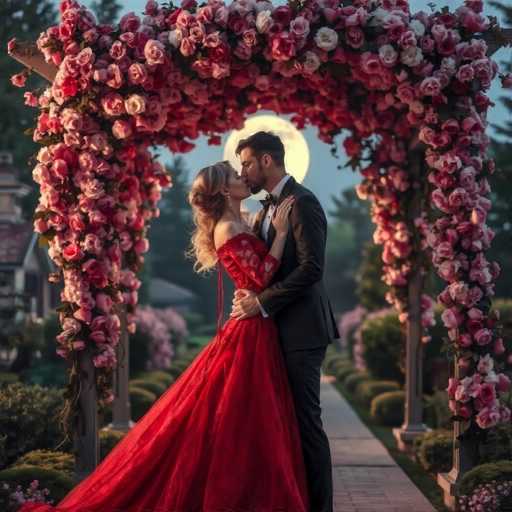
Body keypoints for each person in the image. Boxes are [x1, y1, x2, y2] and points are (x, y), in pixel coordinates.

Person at [18, 160, 309, 512]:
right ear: (222, 190)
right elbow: (262, 278)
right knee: (244, 420)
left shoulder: (237, 222)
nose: (242, 178)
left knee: (248, 423)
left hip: (253, 325)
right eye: (235, 176)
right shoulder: (229, 227)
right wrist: (280, 235)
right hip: (250, 329)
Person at [231, 131, 339, 512]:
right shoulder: (265, 209)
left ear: (266, 161)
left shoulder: (303, 203)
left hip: (303, 332)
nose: (241, 171)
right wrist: (249, 292)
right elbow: (267, 268)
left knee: (307, 424)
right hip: (274, 331)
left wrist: (262, 302)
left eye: (245, 162)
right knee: (282, 425)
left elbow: (312, 268)